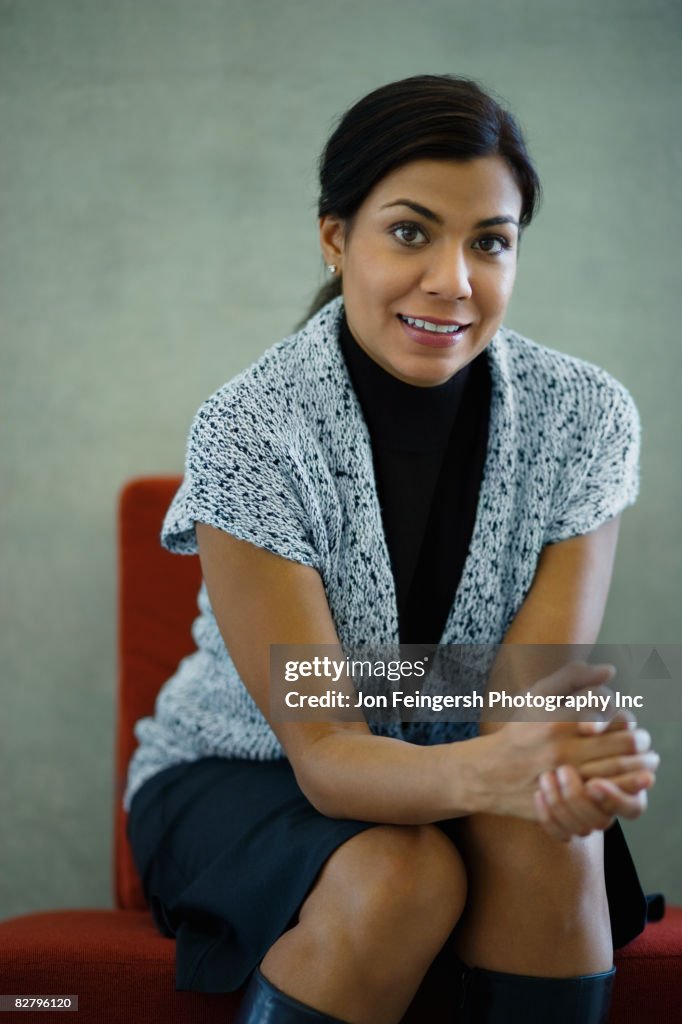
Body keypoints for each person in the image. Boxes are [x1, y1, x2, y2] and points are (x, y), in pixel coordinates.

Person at [124, 75, 660, 1024]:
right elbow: (327, 749)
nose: (453, 279)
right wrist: (502, 769)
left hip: (466, 752)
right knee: (401, 874)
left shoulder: (586, 418)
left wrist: (560, 760)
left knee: (549, 838)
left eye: (490, 242)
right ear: (336, 237)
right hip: (249, 768)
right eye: (410, 231)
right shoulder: (251, 429)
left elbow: (514, 703)